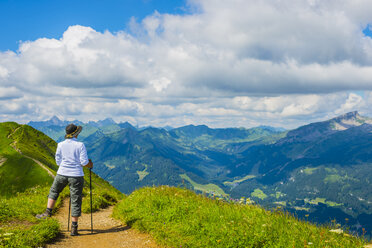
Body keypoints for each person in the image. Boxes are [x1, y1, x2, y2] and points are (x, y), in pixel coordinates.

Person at [36, 123, 93, 236]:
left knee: (54, 191)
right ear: (76, 133)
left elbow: (58, 160)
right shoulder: (80, 145)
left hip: (62, 173)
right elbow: (84, 162)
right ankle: (74, 228)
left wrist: (65, 165)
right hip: (76, 175)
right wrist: (90, 164)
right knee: (75, 199)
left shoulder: (60, 144)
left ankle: (48, 212)